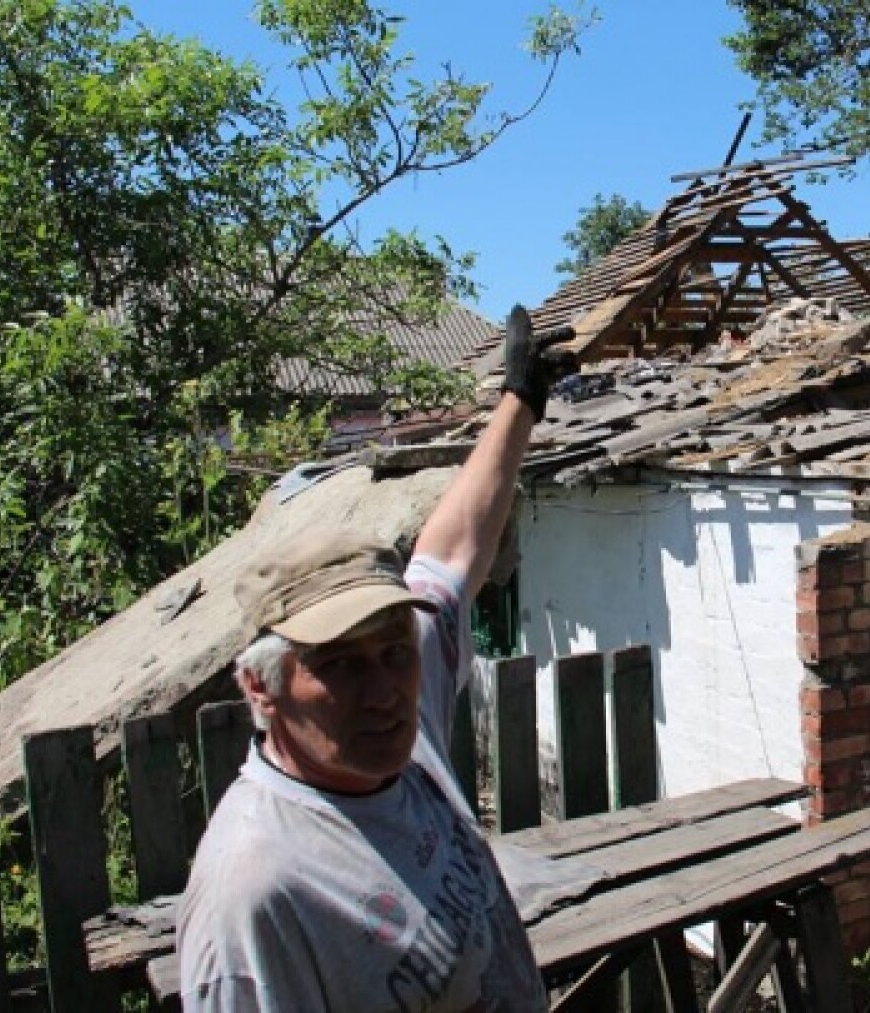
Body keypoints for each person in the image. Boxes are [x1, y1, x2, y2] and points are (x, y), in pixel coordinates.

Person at [177, 306, 573, 1011]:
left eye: (394, 650)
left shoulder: (394, 729)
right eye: (340, 664)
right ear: (260, 688)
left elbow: (450, 555)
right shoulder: (260, 889)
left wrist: (520, 402)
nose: (384, 687)